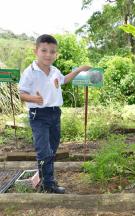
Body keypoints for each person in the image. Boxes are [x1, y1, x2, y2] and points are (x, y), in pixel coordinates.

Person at [19, 34, 91, 194]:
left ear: (56, 54)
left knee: (51, 149)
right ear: (35, 51)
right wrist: (33, 98)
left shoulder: (55, 71)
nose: (48, 54)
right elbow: (21, 93)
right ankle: (49, 184)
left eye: (52, 51)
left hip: (54, 114)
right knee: (43, 150)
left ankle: (44, 178)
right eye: (44, 50)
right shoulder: (29, 72)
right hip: (38, 115)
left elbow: (64, 80)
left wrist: (79, 70)